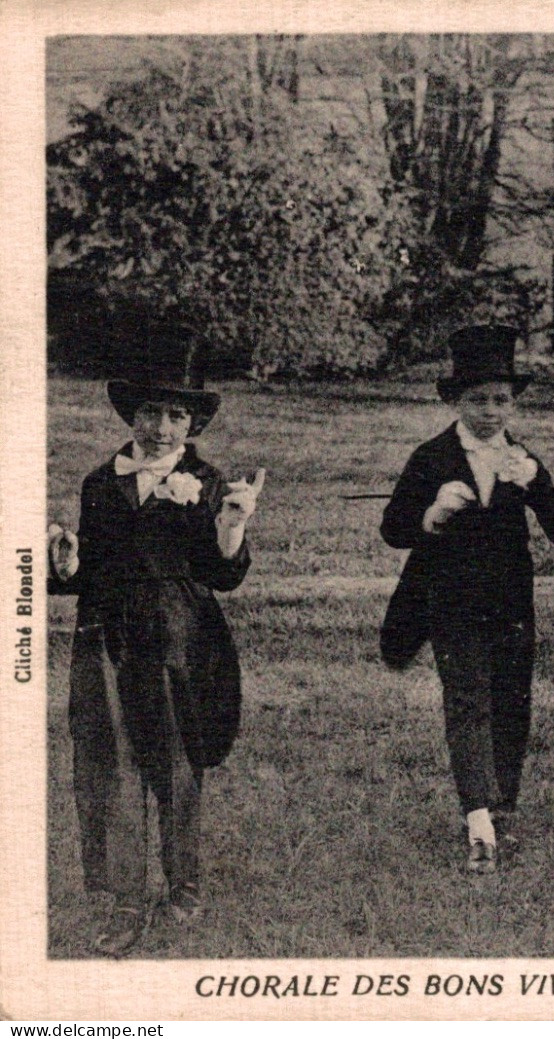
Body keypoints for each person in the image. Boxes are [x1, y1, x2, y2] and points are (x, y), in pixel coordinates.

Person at [46, 319, 265, 956]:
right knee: (107, 767)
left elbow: (225, 576)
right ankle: (120, 900)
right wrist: (66, 565)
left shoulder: (213, 483)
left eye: (174, 415)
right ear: (130, 416)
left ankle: (184, 884)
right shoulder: (100, 481)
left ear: (192, 424)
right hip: (106, 639)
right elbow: (86, 573)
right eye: (149, 412)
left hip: (179, 639)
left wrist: (230, 527)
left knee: (175, 762)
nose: (160, 428)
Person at [380, 325, 554, 874]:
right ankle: (478, 819)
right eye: (477, 399)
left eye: (501, 399)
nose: (491, 411)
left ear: (514, 402)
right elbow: (393, 527)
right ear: (454, 400)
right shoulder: (432, 457)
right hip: (449, 602)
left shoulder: (522, 458)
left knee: (510, 704)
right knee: (468, 703)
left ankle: (505, 809)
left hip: (511, 605)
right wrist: (433, 513)